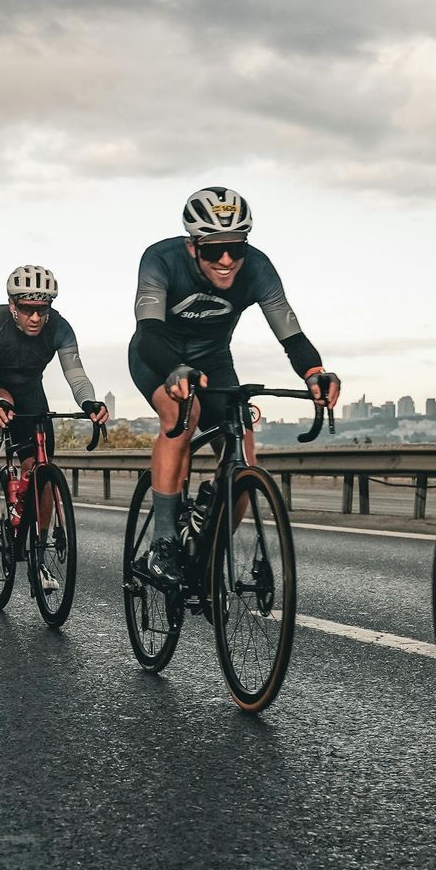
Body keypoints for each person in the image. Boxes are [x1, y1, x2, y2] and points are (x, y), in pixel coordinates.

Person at [129, 187, 339, 578]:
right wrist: (174, 369)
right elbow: (150, 332)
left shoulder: (258, 267)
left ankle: (209, 551)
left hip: (214, 360)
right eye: (213, 250)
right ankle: (163, 542)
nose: (227, 260)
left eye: (236, 248)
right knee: (182, 414)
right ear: (193, 248)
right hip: (159, 356)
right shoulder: (161, 259)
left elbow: (291, 333)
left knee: (245, 453)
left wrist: (314, 372)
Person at [0, 265, 107, 529]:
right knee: (0, 401)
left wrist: (89, 402)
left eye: (42, 310)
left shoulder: (61, 327)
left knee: (42, 467)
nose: (35, 317)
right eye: (26, 309)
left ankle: (40, 553)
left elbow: (77, 377)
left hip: (30, 389)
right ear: (12, 305)